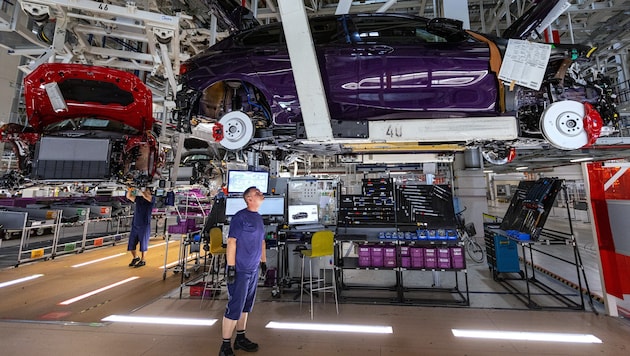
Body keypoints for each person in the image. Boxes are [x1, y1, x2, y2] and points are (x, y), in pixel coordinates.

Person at [219, 186, 267, 356]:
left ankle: (240, 337)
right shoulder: (240, 217)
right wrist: (231, 268)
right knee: (235, 306)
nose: (261, 194)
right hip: (240, 269)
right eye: (257, 193)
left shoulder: (258, 217)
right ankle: (225, 346)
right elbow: (232, 242)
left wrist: (263, 262)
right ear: (249, 199)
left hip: (253, 269)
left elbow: (262, 242)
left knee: (246, 306)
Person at [126, 187, 155, 267]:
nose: (145, 191)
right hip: (135, 225)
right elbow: (128, 196)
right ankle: (135, 257)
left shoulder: (152, 199)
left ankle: (143, 260)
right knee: (131, 244)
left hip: (144, 225)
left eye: (147, 190)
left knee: (143, 244)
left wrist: (141, 190)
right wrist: (130, 189)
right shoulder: (139, 199)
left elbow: (146, 196)